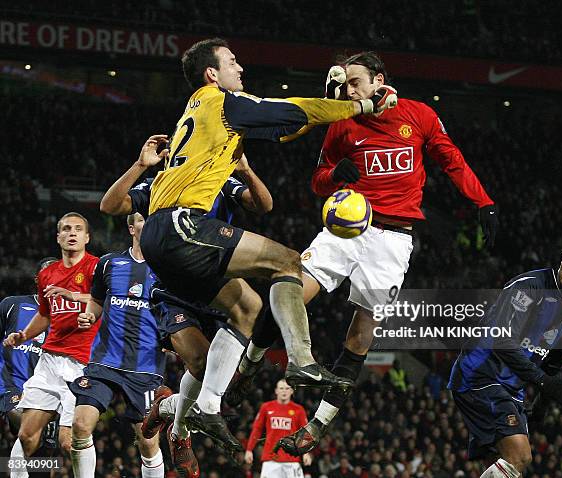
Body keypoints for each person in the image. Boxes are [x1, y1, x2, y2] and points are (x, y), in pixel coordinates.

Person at [234, 51, 497, 455]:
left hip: (393, 240)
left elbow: (451, 159)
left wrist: (483, 202)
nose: (349, 90)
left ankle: (318, 425)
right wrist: (335, 175)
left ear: (379, 80)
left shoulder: (419, 115)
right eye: (345, 84)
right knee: (290, 288)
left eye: (356, 82)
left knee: (361, 335)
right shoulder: (342, 122)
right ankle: (250, 363)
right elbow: (319, 182)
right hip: (344, 228)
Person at [138, 40, 397, 427]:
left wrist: (326, 100)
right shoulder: (220, 101)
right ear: (212, 73)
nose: (240, 68)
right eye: (232, 61)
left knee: (247, 307)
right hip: (182, 224)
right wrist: (361, 105)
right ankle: (301, 361)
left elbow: (284, 128)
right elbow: (293, 109)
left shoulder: (204, 111)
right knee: (288, 262)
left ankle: (207, 409)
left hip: (161, 236)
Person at [100, 135, 273, 471]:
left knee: (213, 375)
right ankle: (180, 427)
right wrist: (139, 166)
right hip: (173, 286)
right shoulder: (159, 184)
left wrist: (247, 171)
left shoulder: (221, 181)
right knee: (200, 365)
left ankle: (171, 419)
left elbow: (264, 205)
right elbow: (109, 206)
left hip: (213, 282)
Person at [448, 237, 562, 477]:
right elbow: (502, 341)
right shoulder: (528, 287)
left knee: (504, 465)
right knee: (520, 456)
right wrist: (543, 382)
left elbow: (554, 358)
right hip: (479, 375)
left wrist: (542, 404)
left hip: (510, 387)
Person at [69, 212, 166, 478]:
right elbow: (98, 300)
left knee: (148, 442)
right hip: (104, 361)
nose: (149, 226)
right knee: (79, 425)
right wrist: (90, 314)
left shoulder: (169, 269)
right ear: (131, 227)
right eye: (143, 220)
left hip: (145, 367)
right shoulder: (109, 263)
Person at [3, 212, 99, 477]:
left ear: (87, 237)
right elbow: (45, 314)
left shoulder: (97, 267)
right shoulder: (48, 274)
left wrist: (73, 295)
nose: (72, 233)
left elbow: (109, 299)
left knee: (68, 441)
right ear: (58, 237)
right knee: (26, 435)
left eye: (78, 229)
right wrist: (24, 335)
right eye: (66, 229)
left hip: (81, 364)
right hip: (48, 363)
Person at [0, 257, 56, 436]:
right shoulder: (12, 304)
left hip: (44, 386)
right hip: (11, 379)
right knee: (22, 420)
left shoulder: (69, 316)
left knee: (40, 450)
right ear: (37, 279)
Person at [245, 379, 311, 478]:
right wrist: (249, 449)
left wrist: (306, 453)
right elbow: (257, 429)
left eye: (287, 388)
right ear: (276, 391)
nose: (284, 391)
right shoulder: (266, 407)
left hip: (292, 460)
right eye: (281, 388)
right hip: (270, 460)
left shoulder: (299, 410)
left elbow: (305, 433)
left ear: (292, 391)